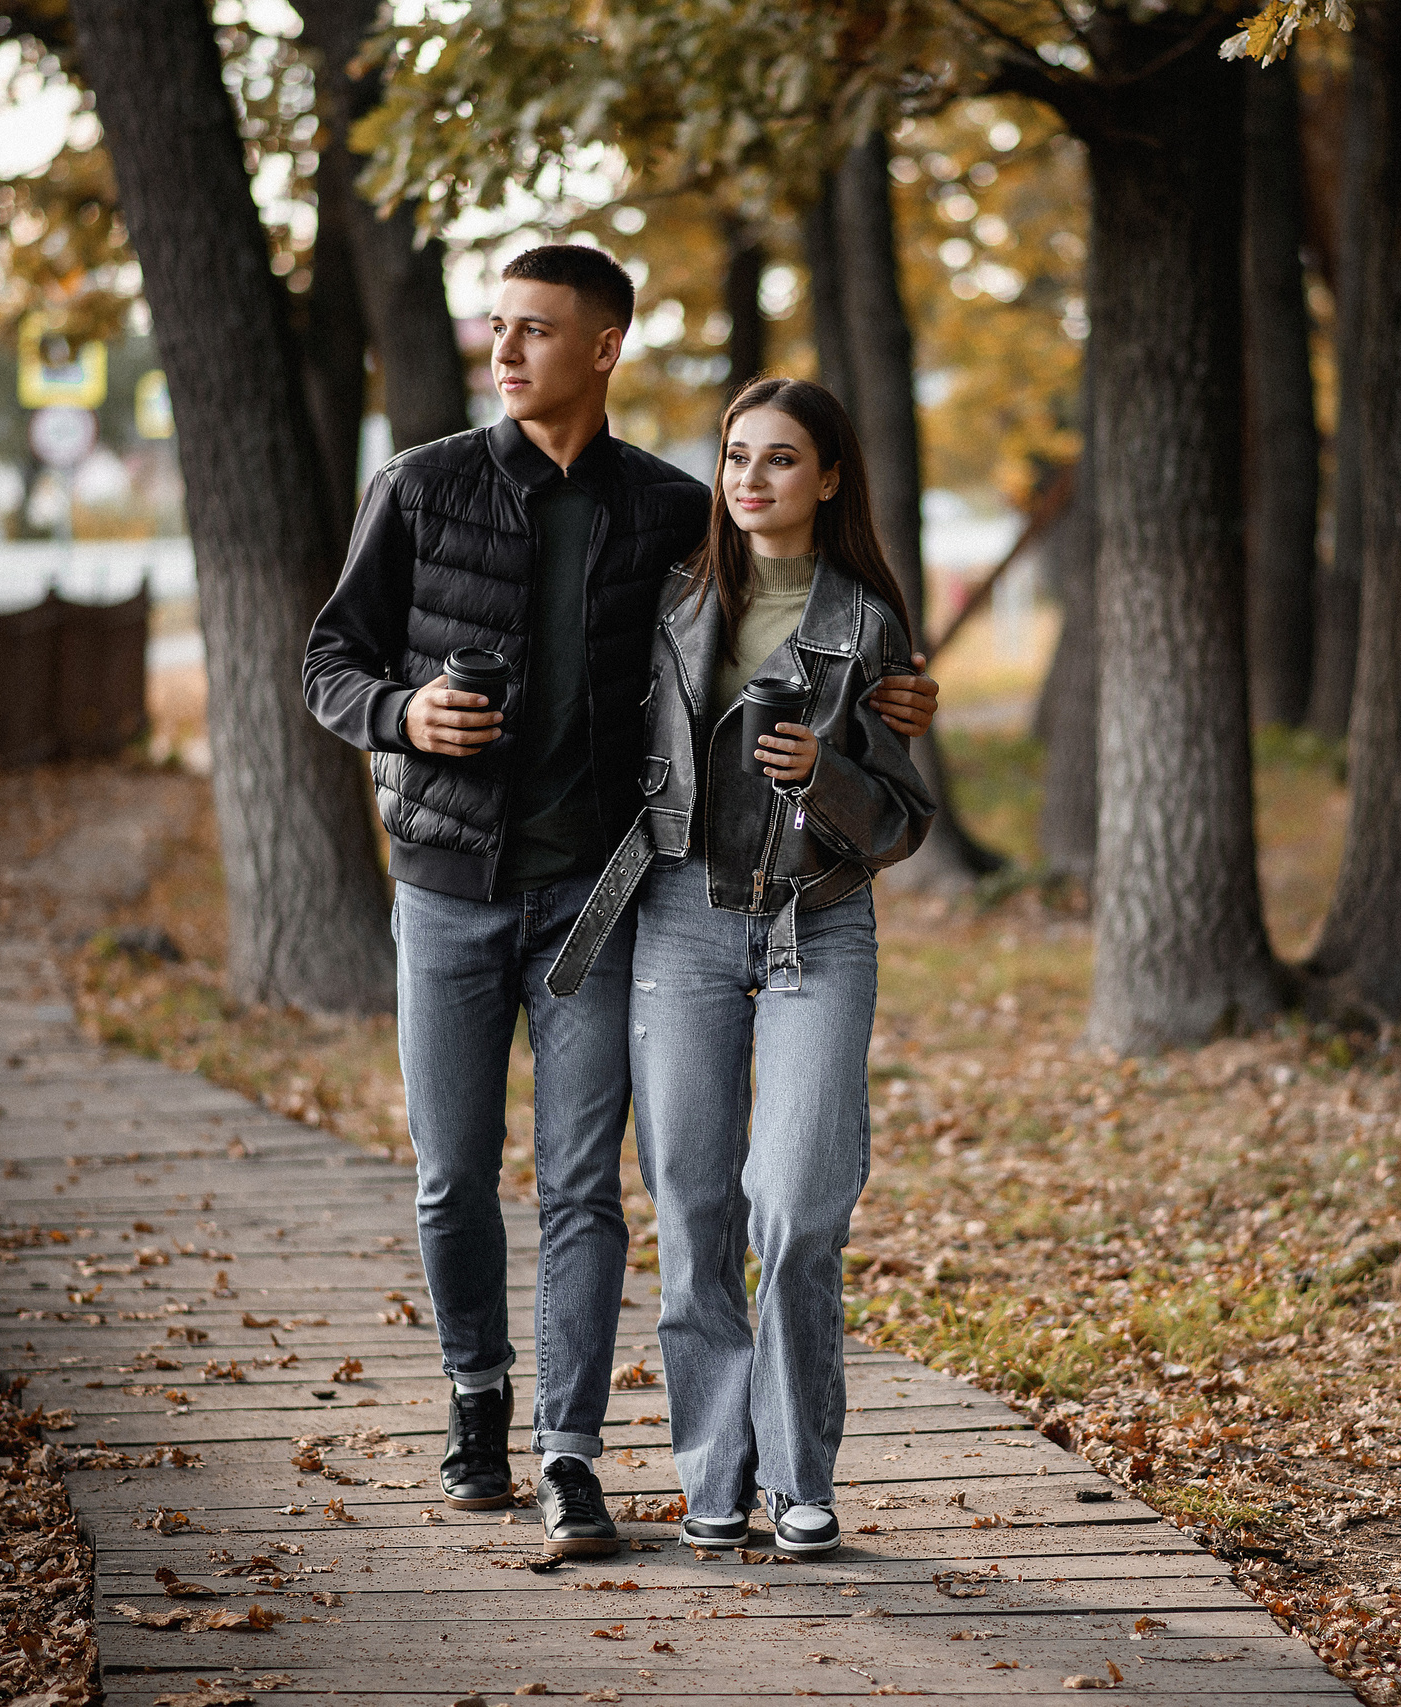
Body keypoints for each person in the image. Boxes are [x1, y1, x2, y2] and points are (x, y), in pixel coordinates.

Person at [302, 250, 938, 1558]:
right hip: (489, 895)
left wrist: (872, 724)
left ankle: (581, 1454)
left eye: (535, 329)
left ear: (604, 347)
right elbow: (330, 658)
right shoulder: (429, 488)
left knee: (616, 1187)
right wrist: (402, 714)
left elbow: (837, 706)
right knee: (470, 1178)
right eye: (497, 326)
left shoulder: (671, 515)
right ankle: (495, 1398)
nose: (504, 349)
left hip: (628, 905)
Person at [547, 376, 937, 1557]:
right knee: (694, 1202)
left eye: (780, 458)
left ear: (829, 477)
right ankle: (716, 1472)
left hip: (818, 922)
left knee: (799, 1202)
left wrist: (828, 771)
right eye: (735, 457)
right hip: (678, 918)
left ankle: (800, 1475)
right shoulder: (669, 599)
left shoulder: (866, 625)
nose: (751, 479)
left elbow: (902, 819)